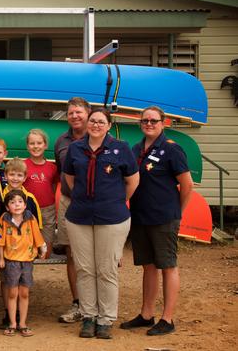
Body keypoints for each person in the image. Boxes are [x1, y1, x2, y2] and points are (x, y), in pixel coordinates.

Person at [62, 108, 140, 339]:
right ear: (87, 123)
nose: (96, 125)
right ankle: (88, 316)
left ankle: (105, 319)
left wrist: (116, 201)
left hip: (112, 218)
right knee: (85, 269)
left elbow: (132, 181)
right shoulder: (76, 148)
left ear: (108, 126)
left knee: (106, 269)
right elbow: (70, 178)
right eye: (93, 121)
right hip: (80, 217)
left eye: (101, 122)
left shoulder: (121, 148)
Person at [121, 106, 193, 336]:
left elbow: (187, 185)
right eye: (145, 120)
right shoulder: (136, 149)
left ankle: (167, 319)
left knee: (168, 266)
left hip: (164, 218)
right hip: (141, 217)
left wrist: (176, 211)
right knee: (148, 267)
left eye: (153, 120)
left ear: (164, 123)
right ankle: (146, 314)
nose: (149, 124)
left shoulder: (172, 150)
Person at [53, 97, 90, 324]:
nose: (74, 116)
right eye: (70, 113)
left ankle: (93, 305)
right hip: (69, 201)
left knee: (92, 255)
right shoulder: (61, 142)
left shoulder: (101, 137)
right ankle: (78, 303)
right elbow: (61, 173)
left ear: (88, 113)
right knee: (71, 254)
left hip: (94, 203)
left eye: (78, 112)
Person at [0, 157, 43, 329]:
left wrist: (39, 246)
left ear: (25, 177)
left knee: (22, 285)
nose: (15, 178)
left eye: (19, 175)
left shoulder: (29, 198)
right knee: (6, 280)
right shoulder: (1, 195)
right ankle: (8, 313)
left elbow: (37, 224)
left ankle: (20, 315)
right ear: (6, 175)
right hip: (6, 248)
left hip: (24, 250)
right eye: (11, 175)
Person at [0, 189, 46, 337]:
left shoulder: (30, 218)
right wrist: (0, 258)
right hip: (11, 261)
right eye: (12, 202)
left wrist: (42, 249)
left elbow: (37, 235)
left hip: (27, 261)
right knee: (12, 293)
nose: (16, 205)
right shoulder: (4, 219)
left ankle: (23, 323)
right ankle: (12, 323)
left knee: (24, 293)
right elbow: (0, 240)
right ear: (7, 207)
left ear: (25, 205)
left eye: (19, 202)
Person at [23, 129, 59, 256]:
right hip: (27, 209)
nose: (36, 146)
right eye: (32, 143)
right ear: (27, 146)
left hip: (47, 210)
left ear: (45, 145)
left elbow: (53, 186)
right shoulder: (23, 165)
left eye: (39, 143)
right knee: (27, 247)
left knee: (45, 252)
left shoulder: (52, 167)